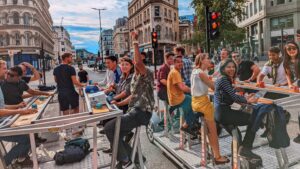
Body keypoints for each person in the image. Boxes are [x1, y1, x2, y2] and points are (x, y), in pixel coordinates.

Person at [104, 31, 154, 168]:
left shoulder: (147, 73)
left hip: (142, 112)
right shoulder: (135, 78)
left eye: (128, 64)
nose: (124, 66)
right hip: (134, 110)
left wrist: (135, 41)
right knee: (115, 134)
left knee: (109, 128)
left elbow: (138, 62)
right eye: (122, 64)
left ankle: (126, 161)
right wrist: (118, 102)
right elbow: (132, 96)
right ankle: (137, 158)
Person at [214, 59, 261, 160]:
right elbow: (233, 97)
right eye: (228, 67)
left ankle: (237, 158)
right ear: (223, 69)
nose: (232, 69)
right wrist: (247, 100)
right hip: (224, 113)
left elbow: (227, 94)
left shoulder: (223, 79)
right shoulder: (223, 79)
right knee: (255, 118)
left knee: (238, 135)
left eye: (233, 67)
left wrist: (240, 94)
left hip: (220, 112)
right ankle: (246, 148)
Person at [191, 53, 229, 164]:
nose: (210, 60)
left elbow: (210, 81)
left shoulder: (196, 71)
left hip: (196, 102)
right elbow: (214, 86)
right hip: (202, 104)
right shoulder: (201, 73)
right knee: (213, 131)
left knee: (209, 126)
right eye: (207, 59)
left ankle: (203, 135)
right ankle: (217, 157)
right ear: (202, 60)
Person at [0, 60, 38, 166]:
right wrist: (20, 111)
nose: (7, 71)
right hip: (2, 124)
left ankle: (21, 159)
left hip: (5, 120)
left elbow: (2, 107)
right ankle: (4, 164)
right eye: (4, 69)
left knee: (28, 132)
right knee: (26, 139)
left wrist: (18, 107)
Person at [53, 53, 85, 139]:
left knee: (65, 112)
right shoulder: (71, 68)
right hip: (70, 91)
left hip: (61, 92)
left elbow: (56, 80)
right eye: (71, 57)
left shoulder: (56, 69)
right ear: (66, 58)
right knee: (75, 109)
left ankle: (68, 132)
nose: (72, 58)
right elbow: (75, 81)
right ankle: (75, 129)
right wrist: (83, 85)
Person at [167, 55, 195, 134]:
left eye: (181, 62)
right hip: (178, 99)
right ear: (174, 63)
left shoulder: (175, 71)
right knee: (196, 105)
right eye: (178, 62)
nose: (180, 63)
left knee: (189, 100)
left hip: (175, 98)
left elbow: (181, 85)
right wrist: (193, 90)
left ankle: (189, 124)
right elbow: (182, 87)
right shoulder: (175, 72)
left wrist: (187, 88)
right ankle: (186, 126)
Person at [282, 41, 300, 143]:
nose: (292, 50)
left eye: (294, 48)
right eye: (289, 49)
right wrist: (289, 84)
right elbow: (288, 75)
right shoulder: (286, 62)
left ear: (297, 48)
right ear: (286, 51)